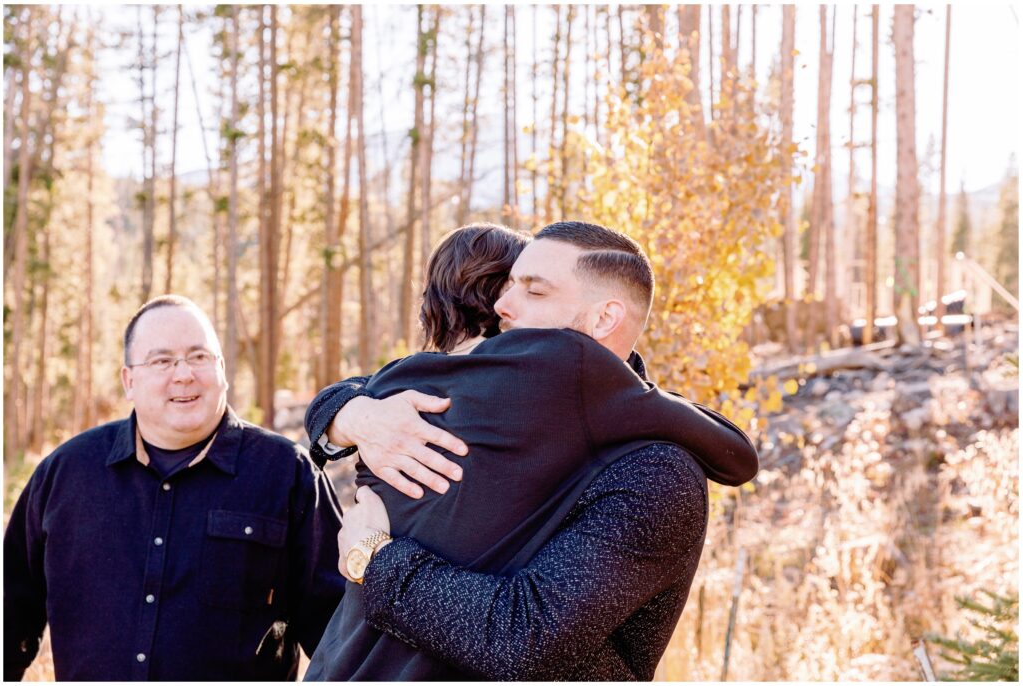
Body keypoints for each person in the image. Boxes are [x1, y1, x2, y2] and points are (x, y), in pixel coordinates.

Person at [304, 221, 758, 680]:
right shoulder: (422, 402)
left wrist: (374, 556)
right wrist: (353, 414)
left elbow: (521, 641)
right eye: (508, 286)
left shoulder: (653, 471)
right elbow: (357, 390)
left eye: (535, 292)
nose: (502, 307)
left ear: (604, 318)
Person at [3, 295, 347, 681]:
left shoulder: (288, 475)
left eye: (199, 357)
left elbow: (341, 639)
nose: (183, 374)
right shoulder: (64, 475)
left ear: (222, 370)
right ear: (128, 381)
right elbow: (9, 620)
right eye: (162, 360)